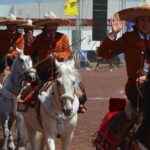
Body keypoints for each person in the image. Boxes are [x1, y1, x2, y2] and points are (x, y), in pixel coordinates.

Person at [96, 3, 150, 149]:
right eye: (142, 20)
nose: (146, 23)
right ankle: (139, 139)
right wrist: (113, 33)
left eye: (149, 20)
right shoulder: (128, 38)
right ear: (136, 22)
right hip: (136, 87)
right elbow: (103, 53)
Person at [24, 22, 87, 113]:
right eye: (50, 25)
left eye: (54, 25)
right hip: (44, 70)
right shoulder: (39, 38)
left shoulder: (63, 37)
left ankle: (80, 104)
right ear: (45, 26)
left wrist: (56, 55)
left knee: (78, 85)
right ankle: (33, 104)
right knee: (36, 88)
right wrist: (27, 37)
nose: (53, 27)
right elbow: (28, 52)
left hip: (61, 69)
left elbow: (68, 53)